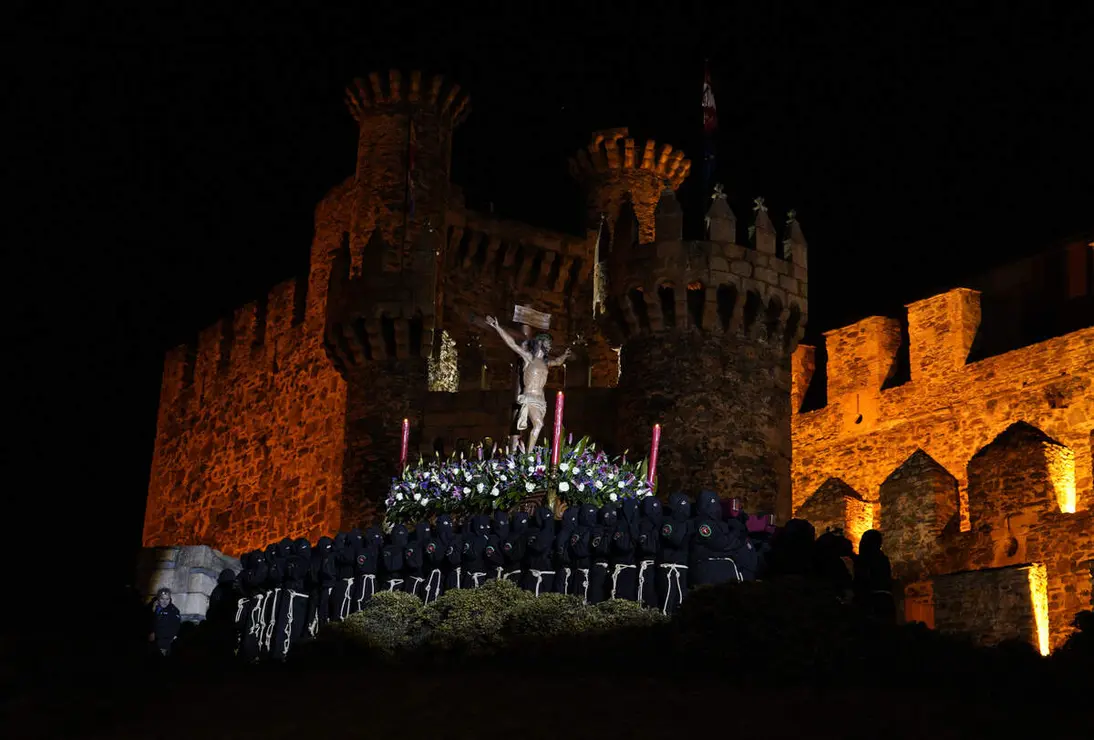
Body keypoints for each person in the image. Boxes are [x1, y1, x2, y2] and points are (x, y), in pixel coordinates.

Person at [485, 315, 571, 451]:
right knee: (538, 425)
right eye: (547, 343)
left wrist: (565, 355)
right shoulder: (529, 358)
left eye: (550, 344)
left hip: (541, 400)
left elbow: (558, 362)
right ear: (540, 343)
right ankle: (528, 455)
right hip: (530, 397)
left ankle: (526, 450)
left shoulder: (545, 363)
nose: (549, 346)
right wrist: (497, 327)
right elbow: (512, 344)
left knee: (537, 428)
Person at [659, 493, 693, 615]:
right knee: (668, 601)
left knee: (681, 601)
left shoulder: (687, 523)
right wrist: (689, 534)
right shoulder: (668, 522)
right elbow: (675, 540)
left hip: (682, 566)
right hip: (669, 566)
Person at [854, 530, 895, 622]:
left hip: (872, 602)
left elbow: (864, 580)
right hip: (885, 600)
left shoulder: (866, 560)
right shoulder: (883, 559)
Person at [522, 506, 556, 595]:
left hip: (548, 575)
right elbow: (539, 546)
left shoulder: (553, 532)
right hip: (535, 574)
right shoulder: (533, 532)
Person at [636, 497, 663, 608]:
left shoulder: (642, 523)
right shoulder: (660, 522)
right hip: (657, 563)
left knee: (647, 599)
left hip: (649, 563)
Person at [149, 588, 182, 657]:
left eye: (167, 599)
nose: (165, 601)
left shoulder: (173, 610)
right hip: (151, 642)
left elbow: (176, 626)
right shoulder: (153, 608)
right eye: (162, 599)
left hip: (165, 643)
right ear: (158, 599)